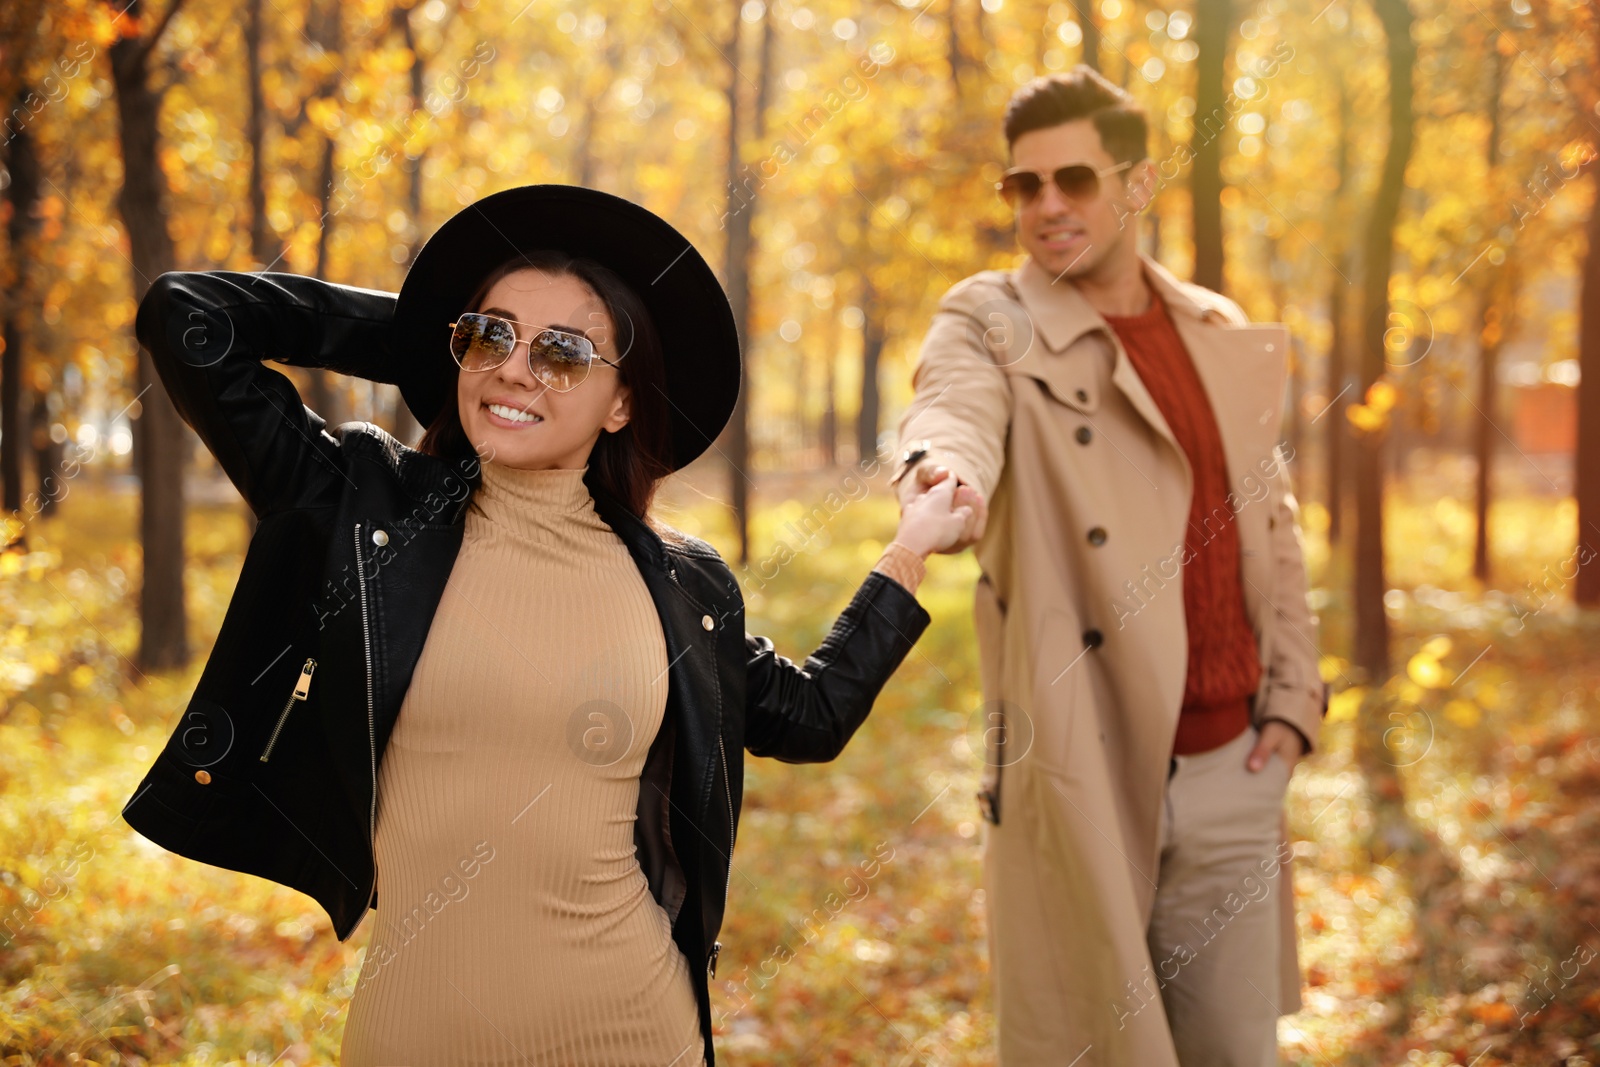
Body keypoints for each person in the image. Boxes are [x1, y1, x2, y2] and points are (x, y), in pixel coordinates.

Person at [121, 183, 971, 1066]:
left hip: (631, 1032)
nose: (516, 370)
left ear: (623, 401)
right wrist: (430, 337)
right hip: (411, 1035)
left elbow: (812, 714)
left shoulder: (683, 585)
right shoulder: (364, 512)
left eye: (564, 353)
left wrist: (909, 552)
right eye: (491, 334)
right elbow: (188, 315)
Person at [889, 67, 1328, 1066]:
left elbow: (1275, 530)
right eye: (1022, 185)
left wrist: (1294, 704)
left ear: (1134, 185)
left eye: (1073, 178)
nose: (1045, 205)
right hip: (1079, 773)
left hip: (1232, 771)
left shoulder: (1214, 330)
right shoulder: (991, 318)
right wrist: (941, 475)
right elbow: (953, 407)